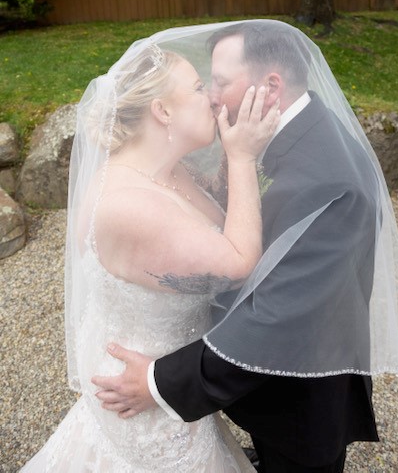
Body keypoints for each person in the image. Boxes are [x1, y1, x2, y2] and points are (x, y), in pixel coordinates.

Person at [93, 20, 398, 473]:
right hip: (271, 382)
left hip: (301, 400)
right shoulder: (296, 131)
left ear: (272, 85)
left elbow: (276, 316)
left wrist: (158, 383)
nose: (213, 96)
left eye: (220, 81)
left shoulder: (331, 184)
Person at [20, 35, 281, 472]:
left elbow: (207, 219)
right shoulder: (128, 206)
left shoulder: (167, 169)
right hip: (143, 403)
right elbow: (239, 261)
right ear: (162, 111)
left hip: (175, 383)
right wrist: (240, 156)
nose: (213, 98)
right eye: (199, 88)